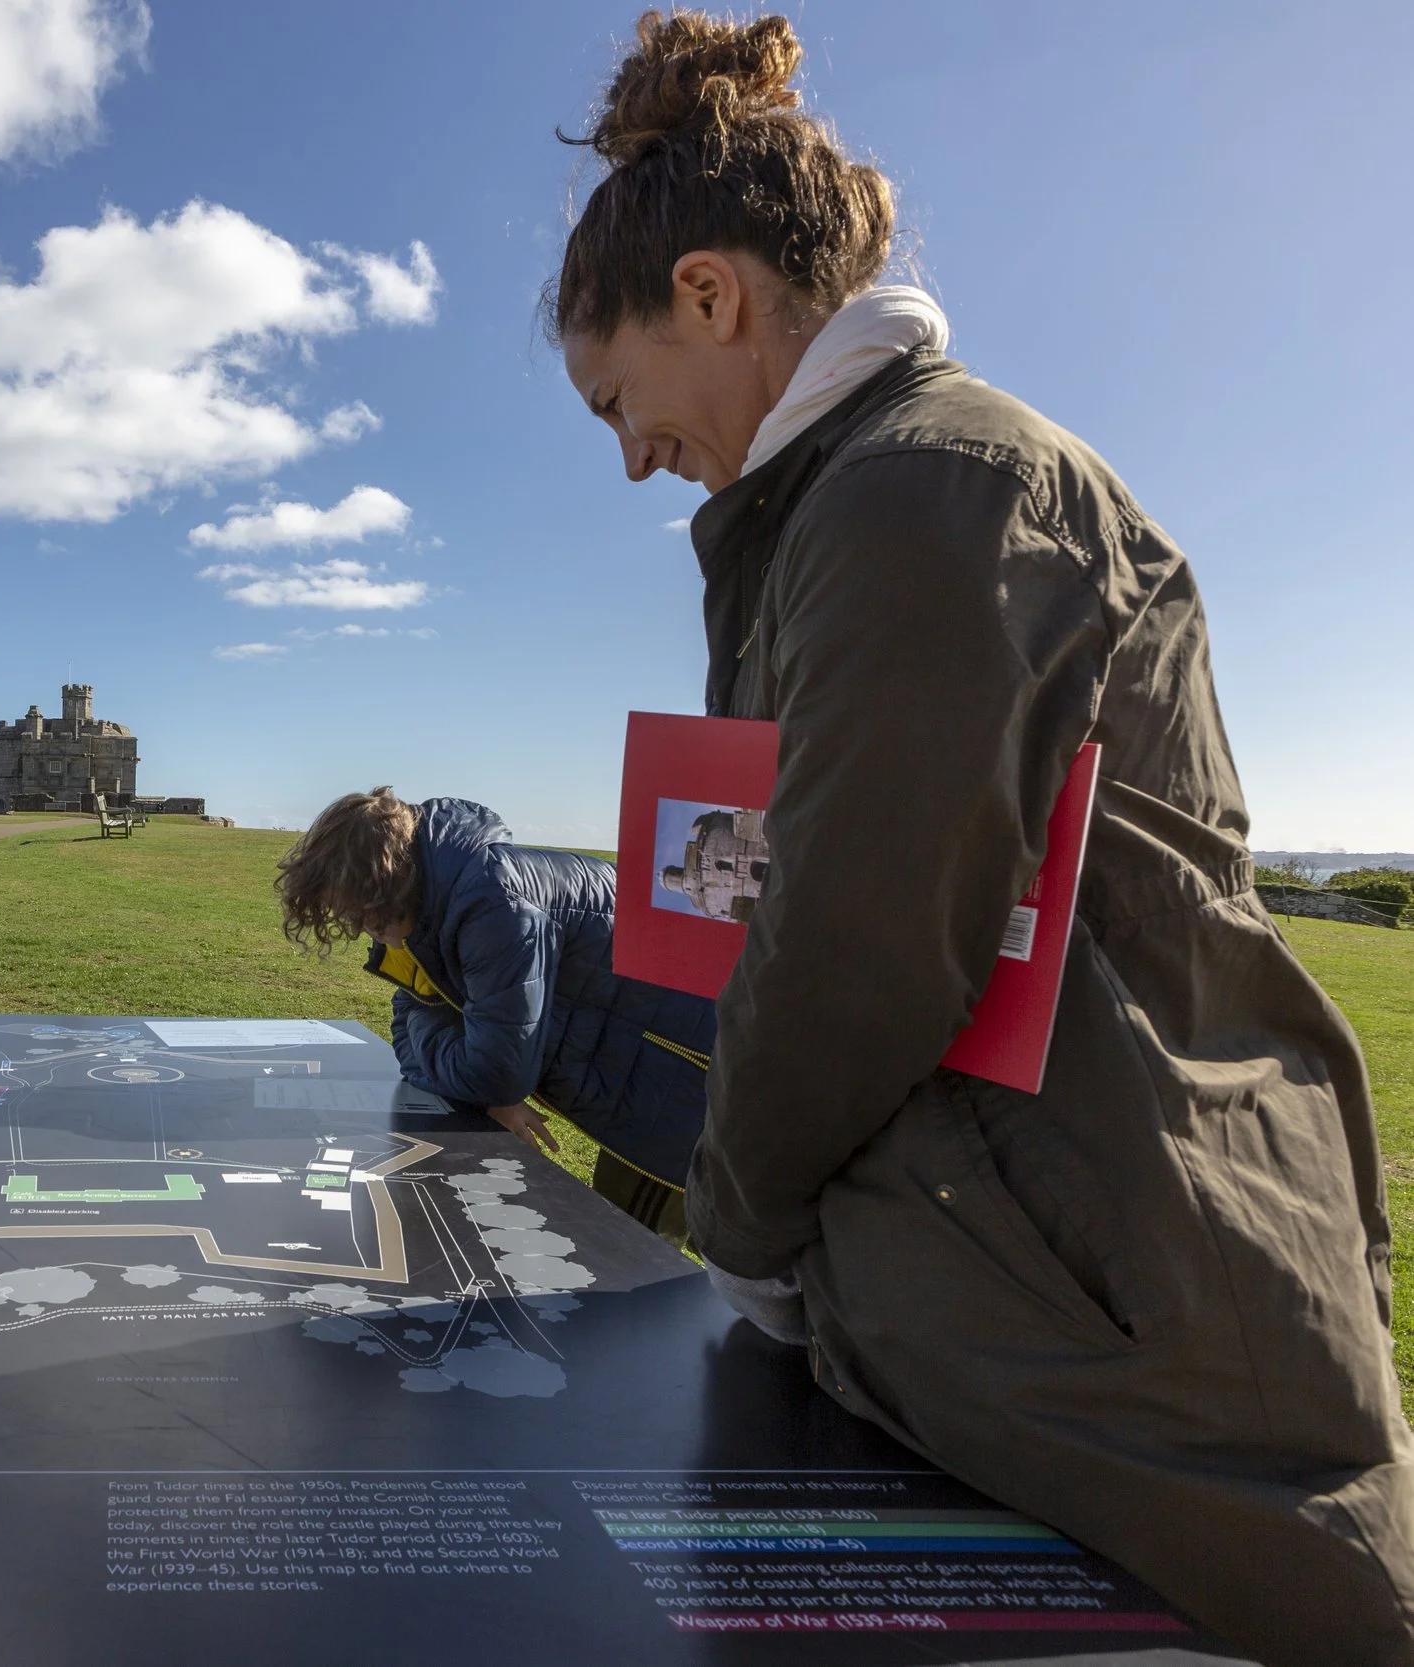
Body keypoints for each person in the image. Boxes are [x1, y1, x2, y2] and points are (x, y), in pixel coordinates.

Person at [546, 11, 1414, 1661]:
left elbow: (861, 946)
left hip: (1115, 1340)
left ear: (709, 298)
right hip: (1030, 1301)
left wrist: (738, 1232)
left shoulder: (916, 492)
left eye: (615, 400)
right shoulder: (858, 502)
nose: (633, 453)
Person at [276, 788, 715, 1243]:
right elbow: (413, 1017)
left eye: (364, 913)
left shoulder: (492, 901)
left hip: (692, 1081)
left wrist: (488, 1079)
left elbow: (496, 1071)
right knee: (638, 1240)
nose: (367, 929)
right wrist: (478, 1068)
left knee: (647, 1249)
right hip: (637, 1077)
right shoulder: (440, 894)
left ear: (386, 881)